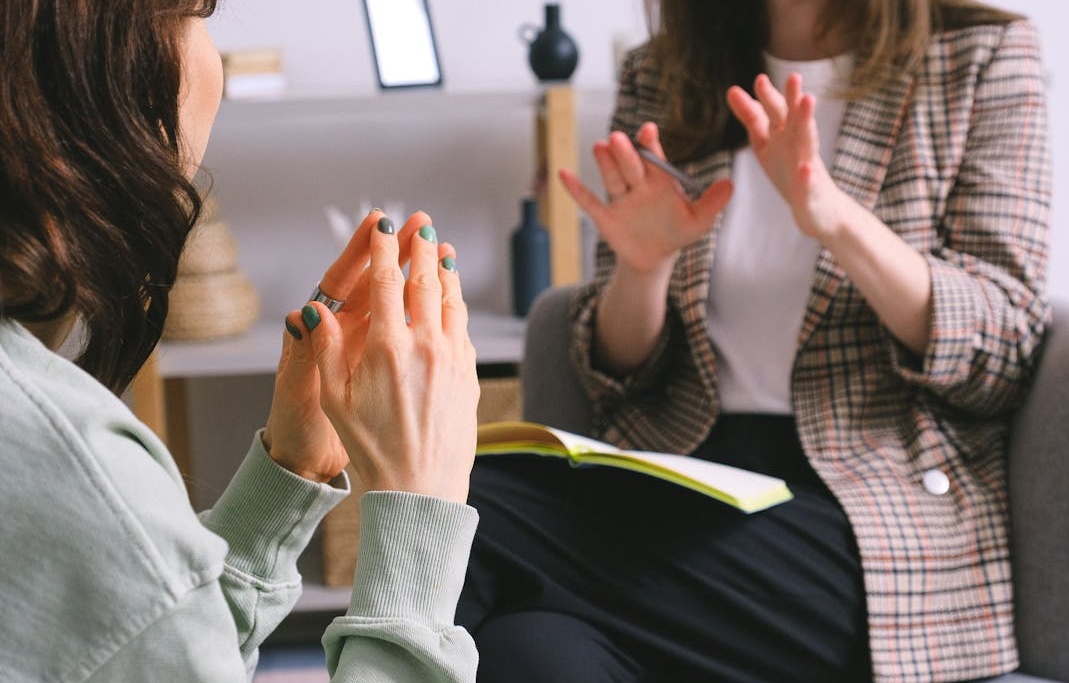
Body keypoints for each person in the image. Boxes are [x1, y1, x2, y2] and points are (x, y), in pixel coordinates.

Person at [456, 0, 1051, 681]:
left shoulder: (979, 55)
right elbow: (617, 374)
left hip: (873, 520)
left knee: (465, 507)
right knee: (529, 652)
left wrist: (835, 219)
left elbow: (1004, 350)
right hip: (679, 484)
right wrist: (643, 267)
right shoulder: (663, 72)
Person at [0, 2, 481, 681]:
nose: (214, 61)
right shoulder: (79, 471)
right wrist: (421, 503)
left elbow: (138, 647)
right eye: (199, 13)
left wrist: (288, 472)